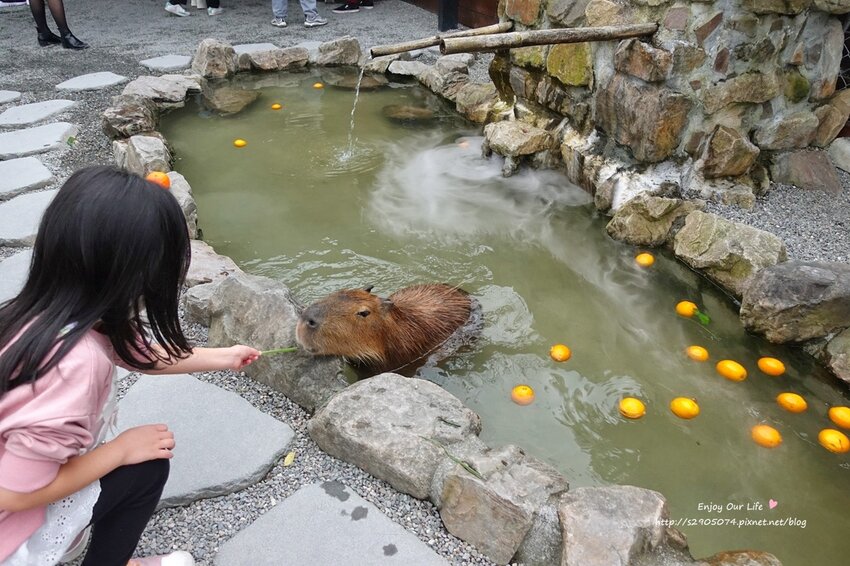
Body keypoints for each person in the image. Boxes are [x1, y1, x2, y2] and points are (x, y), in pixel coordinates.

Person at [0, 166, 261, 566]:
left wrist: (224, 356)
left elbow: (138, 353)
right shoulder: (78, 366)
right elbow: (14, 493)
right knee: (146, 465)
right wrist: (120, 451)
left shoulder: (44, 312)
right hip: (9, 527)